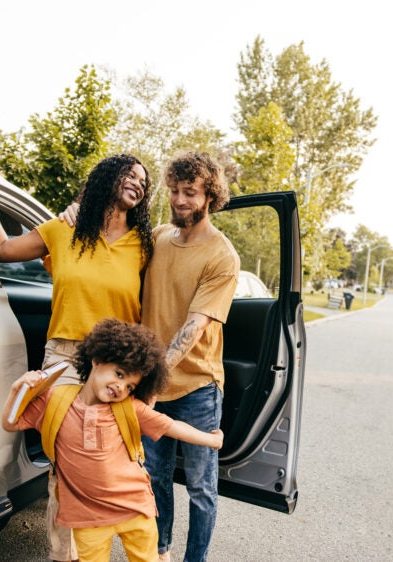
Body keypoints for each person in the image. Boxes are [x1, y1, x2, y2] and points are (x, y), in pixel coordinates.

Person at [0, 153, 154, 562]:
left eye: (143, 180)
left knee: (116, 464)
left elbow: (155, 307)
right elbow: (1, 247)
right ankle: (62, 556)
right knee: (66, 470)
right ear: (106, 178)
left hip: (117, 367)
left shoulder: (145, 246)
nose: (137, 182)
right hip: (65, 358)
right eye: (129, 174)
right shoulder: (65, 229)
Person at [60, 150, 240, 561]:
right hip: (148, 381)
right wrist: (77, 209)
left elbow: (194, 328)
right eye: (174, 190)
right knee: (153, 477)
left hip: (196, 386)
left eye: (190, 192)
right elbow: (109, 241)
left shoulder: (222, 256)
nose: (179, 200)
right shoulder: (158, 237)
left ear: (210, 195)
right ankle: (159, 552)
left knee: (200, 486)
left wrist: (152, 380)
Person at [1, 318, 224, 562]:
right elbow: (11, 423)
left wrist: (212, 441)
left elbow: (172, 426)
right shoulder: (55, 400)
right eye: (119, 374)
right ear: (96, 359)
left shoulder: (130, 408)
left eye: (130, 386)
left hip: (135, 509)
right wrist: (17, 390)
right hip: (87, 519)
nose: (121, 388)